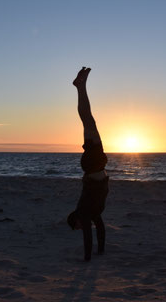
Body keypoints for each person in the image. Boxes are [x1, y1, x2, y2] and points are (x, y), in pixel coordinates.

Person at [67, 67, 109, 262]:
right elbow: (99, 229)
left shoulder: (83, 213)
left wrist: (87, 258)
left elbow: (87, 236)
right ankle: (80, 86)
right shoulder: (92, 214)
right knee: (88, 119)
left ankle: (80, 86)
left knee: (87, 119)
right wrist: (100, 250)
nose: (80, 228)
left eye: (76, 226)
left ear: (76, 220)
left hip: (94, 164)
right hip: (95, 166)